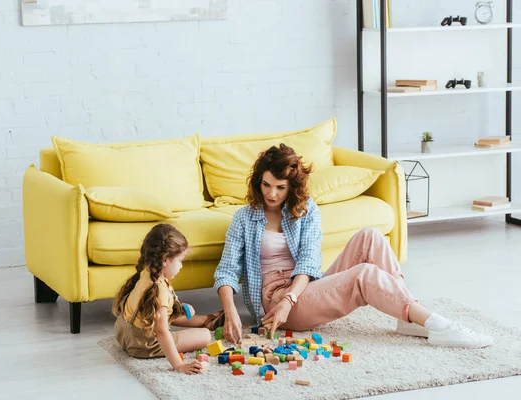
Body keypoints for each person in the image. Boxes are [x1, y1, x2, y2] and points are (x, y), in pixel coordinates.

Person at [213, 144, 493, 349]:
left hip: (300, 289)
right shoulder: (244, 218)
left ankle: (410, 317)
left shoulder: (305, 210)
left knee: (371, 237)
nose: (271, 194)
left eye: (280, 187)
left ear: (292, 187)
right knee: (363, 275)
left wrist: (292, 298)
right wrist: (233, 313)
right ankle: (437, 325)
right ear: (258, 181)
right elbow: (226, 272)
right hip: (274, 300)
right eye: (266, 185)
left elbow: (310, 261)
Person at [112, 224, 224, 374]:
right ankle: (206, 323)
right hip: (143, 344)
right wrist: (179, 365)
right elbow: (162, 331)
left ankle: (206, 319)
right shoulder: (159, 290)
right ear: (165, 259)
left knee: (175, 315)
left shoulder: (147, 272)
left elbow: (157, 313)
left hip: (123, 333)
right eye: (180, 260)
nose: (181, 266)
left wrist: (178, 308)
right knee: (204, 335)